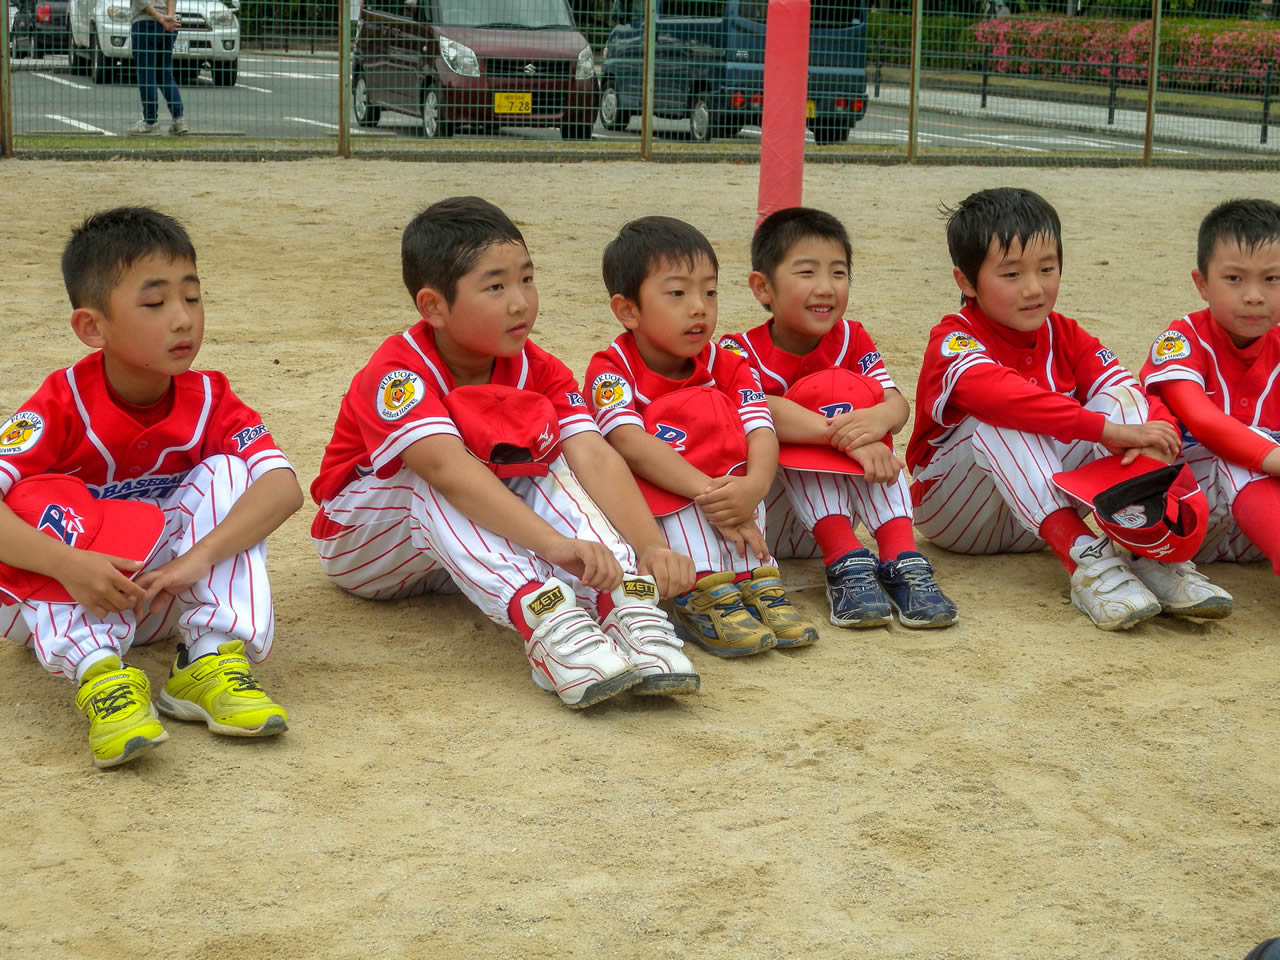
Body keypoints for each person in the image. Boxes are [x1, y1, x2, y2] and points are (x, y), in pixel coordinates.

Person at [310, 196, 700, 709]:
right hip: (366, 544)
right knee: (432, 473)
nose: (520, 302)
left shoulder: (540, 368)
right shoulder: (398, 371)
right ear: (434, 307)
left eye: (526, 279)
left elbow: (594, 457)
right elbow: (447, 471)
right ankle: (550, 627)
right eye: (495, 287)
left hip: (464, 553)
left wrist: (649, 546)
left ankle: (627, 605)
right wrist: (556, 546)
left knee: (549, 457)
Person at [0, 207, 301, 768]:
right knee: (34, 494)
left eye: (192, 296)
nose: (183, 318)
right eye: (155, 302)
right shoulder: (61, 404)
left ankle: (206, 661)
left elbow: (284, 488)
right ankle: (103, 683)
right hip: (59, 604)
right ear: (93, 327)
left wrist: (199, 560)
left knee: (233, 474)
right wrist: (67, 565)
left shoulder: (210, 397)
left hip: (159, 594)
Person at [905, 186, 1232, 631]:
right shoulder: (954, 337)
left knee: (1123, 402)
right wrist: (1107, 433)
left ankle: (1147, 550)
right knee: (999, 419)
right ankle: (1087, 563)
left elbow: (1129, 390)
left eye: (1047, 268)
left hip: (1035, 508)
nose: (1034, 288)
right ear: (966, 282)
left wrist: (1154, 432)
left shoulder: (1065, 332)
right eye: (1011, 275)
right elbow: (999, 397)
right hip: (957, 516)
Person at [585, 215, 818, 658]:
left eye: (709, 292)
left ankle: (756, 581)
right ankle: (705, 592)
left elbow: (761, 428)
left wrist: (754, 487)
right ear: (627, 309)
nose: (699, 307)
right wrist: (711, 493)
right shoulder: (611, 368)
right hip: (666, 496)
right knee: (677, 476)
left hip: (727, 489)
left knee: (744, 466)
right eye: (677, 294)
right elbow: (629, 442)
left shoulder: (725, 360)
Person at [720, 206, 957, 630]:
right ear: (762, 287)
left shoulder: (851, 336)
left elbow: (895, 405)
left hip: (832, 511)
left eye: (839, 273)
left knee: (872, 427)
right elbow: (760, 410)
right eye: (807, 273)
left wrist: (877, 420)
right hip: (768, 522)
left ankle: (903, 559)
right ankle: (844, 562)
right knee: (795, 434)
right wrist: (847, 435)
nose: (826, 288)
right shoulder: (737, 351)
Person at [1139, 198, 1280, 574]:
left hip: (1254, 533)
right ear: (1202, 284)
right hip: (1187, 523)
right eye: (1234, 278)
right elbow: (1204, 422)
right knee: (1241, 453)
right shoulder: (1182, 340)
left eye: (1272, 279)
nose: (1254, 294)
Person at [130, 0, 186, 135]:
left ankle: (150, 122)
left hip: (145, 21)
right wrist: (170, 16)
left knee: (146, 72)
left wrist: (158, 16)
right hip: (168, 23)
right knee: (164, 74)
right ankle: (178, 119)